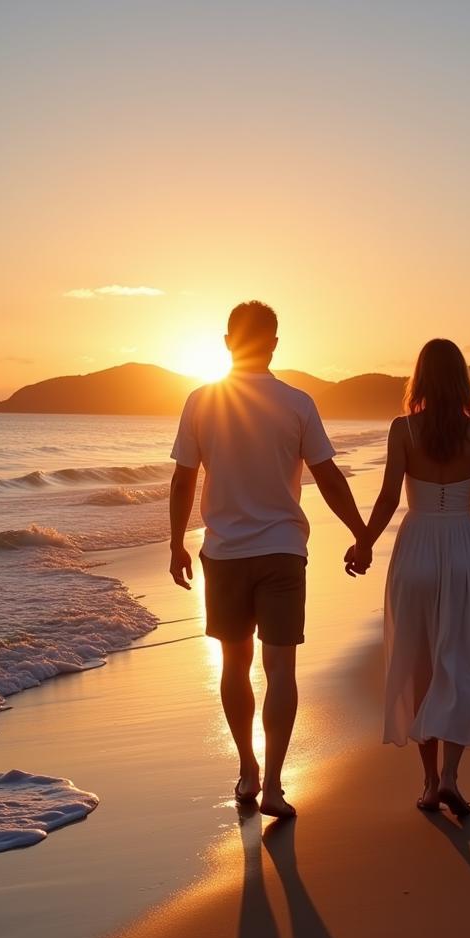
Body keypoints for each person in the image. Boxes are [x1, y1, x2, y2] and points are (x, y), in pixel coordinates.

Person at [169, 300, 369, 818]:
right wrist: (360, 533)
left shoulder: (200, 401)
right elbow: (327, 475)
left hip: (225, 552)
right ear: (274, 342)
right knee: (281, 668)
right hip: (283, 551)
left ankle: (247, 771)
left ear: (228, 341)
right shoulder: (297, 403)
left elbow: (183, 478)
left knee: (235, 665)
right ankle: (275, 784)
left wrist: (175, 543)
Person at [345, 339, 470, 816]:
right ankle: (450, 778)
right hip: (466, 549)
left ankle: (427, 784)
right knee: (460, 663)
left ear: (419, 379)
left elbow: (386, 499)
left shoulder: (403, 430)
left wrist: (363, 543)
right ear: (463, 379)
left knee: (422, 666)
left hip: (417, 548)